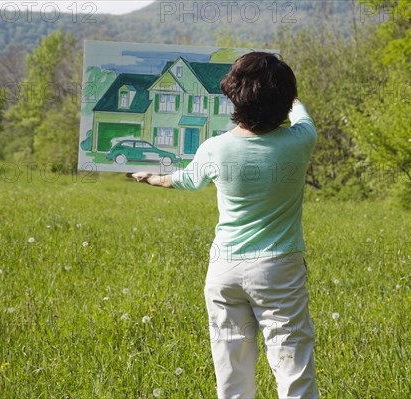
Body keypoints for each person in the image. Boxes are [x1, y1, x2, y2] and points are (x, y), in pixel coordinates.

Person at [131, 51, 318, 399]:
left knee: (231, 372)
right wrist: (290, 97)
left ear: (233, 98)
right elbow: (301, 113)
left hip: (223, 269)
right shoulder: (301, 141)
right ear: (283, 100)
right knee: (292, 364)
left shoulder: (214, 149)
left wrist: (151, 178)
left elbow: (181, 180)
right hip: (277, 270)